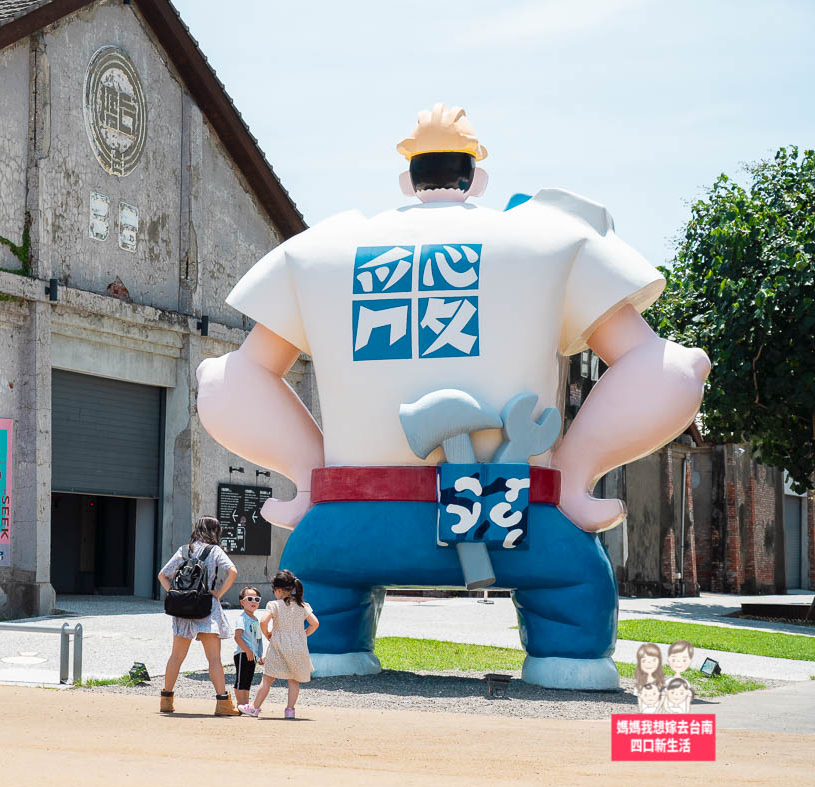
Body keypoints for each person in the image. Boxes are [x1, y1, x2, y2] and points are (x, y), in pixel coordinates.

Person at [195, 103, 710, 690]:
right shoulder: (553, 239)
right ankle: (569, 662)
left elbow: (231, 380)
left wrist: (308, 474)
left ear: (406, 181)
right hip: (527, 518)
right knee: (573, 600)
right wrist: (575, 473)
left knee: (324, 609)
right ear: (476, 178)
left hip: (344, 526)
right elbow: (666, 370)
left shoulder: (320, 251)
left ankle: (332, 652)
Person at [157, 516, 240, 715]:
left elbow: (162, 574)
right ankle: (223, 703)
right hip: (206, 608)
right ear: (215, 531)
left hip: (182, 610)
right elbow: (233, 571)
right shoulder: (215, 550)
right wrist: (218, 594)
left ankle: (166, 700)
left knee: (176, 657)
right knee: (213, 659)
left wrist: (175, 594)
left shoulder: (184, 550)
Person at [239, 570, 319, 719]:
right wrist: (303, 634)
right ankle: (290, 710)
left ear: (279, 590)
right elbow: (315, 623)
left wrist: (267, 633)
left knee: (268, 678)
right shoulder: (303, 606)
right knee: (294, 680)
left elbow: (263, 621)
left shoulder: (274, 604)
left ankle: (254, 708)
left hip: (278, 647)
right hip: (298, 647)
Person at [232, 586, 265, 706]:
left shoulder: (256, 620)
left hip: (253, 655)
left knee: (247, 681)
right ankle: (240, 704)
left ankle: (245, 705)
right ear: (242, 602)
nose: (254, 602)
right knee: (241, 680)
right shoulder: (242, 618)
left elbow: (258, 639)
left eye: (257, 599)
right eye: (250, 598)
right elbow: (237, 637)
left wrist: (259, 655)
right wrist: (247, 651)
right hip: (242, 653)